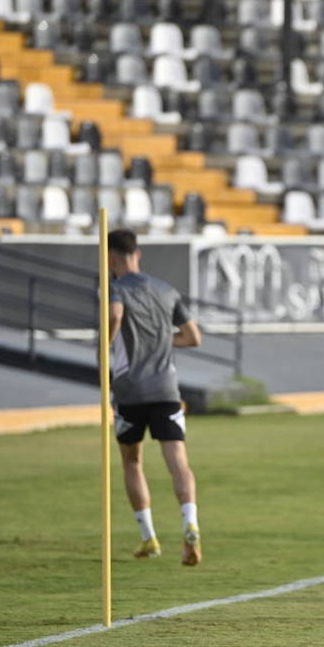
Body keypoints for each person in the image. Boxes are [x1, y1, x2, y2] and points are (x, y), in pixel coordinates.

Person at [106, 229, 204, 566]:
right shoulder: (166, 289)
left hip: (130, 389)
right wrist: (162, 342)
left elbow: (116, 316)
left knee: (132, 461)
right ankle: (190, 522)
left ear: (111, 257)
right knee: (178, 461)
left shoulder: (116, 288)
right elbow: (192, 337)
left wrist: (106, 342)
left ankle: (149, 537)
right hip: (166, 388)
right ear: (138, 254)